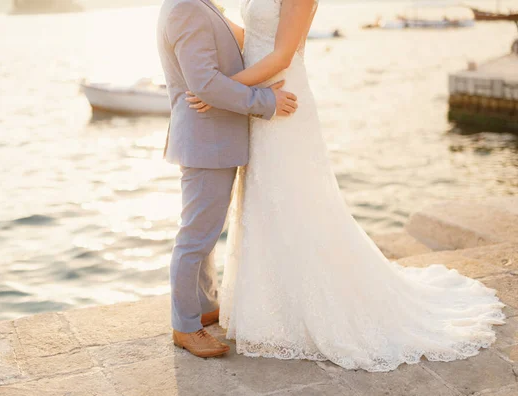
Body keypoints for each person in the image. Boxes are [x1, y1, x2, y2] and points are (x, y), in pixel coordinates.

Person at [189, 0, 507, 372]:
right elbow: (253, 34)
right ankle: (270, 303)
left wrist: (219, 89)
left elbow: (282, 55)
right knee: (264, 202)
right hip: (259, 102)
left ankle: (311, 306)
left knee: (296, 200)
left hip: (282, 96)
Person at [156, 0, 299, 358]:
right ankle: (185, 327)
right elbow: (204, 83)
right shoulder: (185, 7)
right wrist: (265, 100)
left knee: (204, 234)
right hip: (206, 141)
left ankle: (204, 307)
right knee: (195, 237)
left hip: (212, 140)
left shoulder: (198, 4)